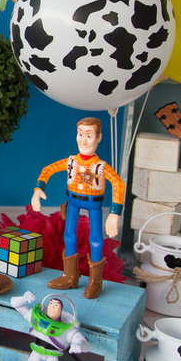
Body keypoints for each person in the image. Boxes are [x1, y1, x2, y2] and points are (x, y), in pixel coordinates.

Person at [30, 117, 124, 298]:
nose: (84, 141)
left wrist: (114, 213)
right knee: (69, 235)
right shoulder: (71, 161)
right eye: (80, 135)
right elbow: (48, 169)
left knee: (96, 239)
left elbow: (118, 184)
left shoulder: (101, 166)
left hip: (94, 205)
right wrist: (38, 189)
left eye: (89, 136)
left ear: (99, 138)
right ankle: (70, 275)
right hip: (72, 202)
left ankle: (95, 281)